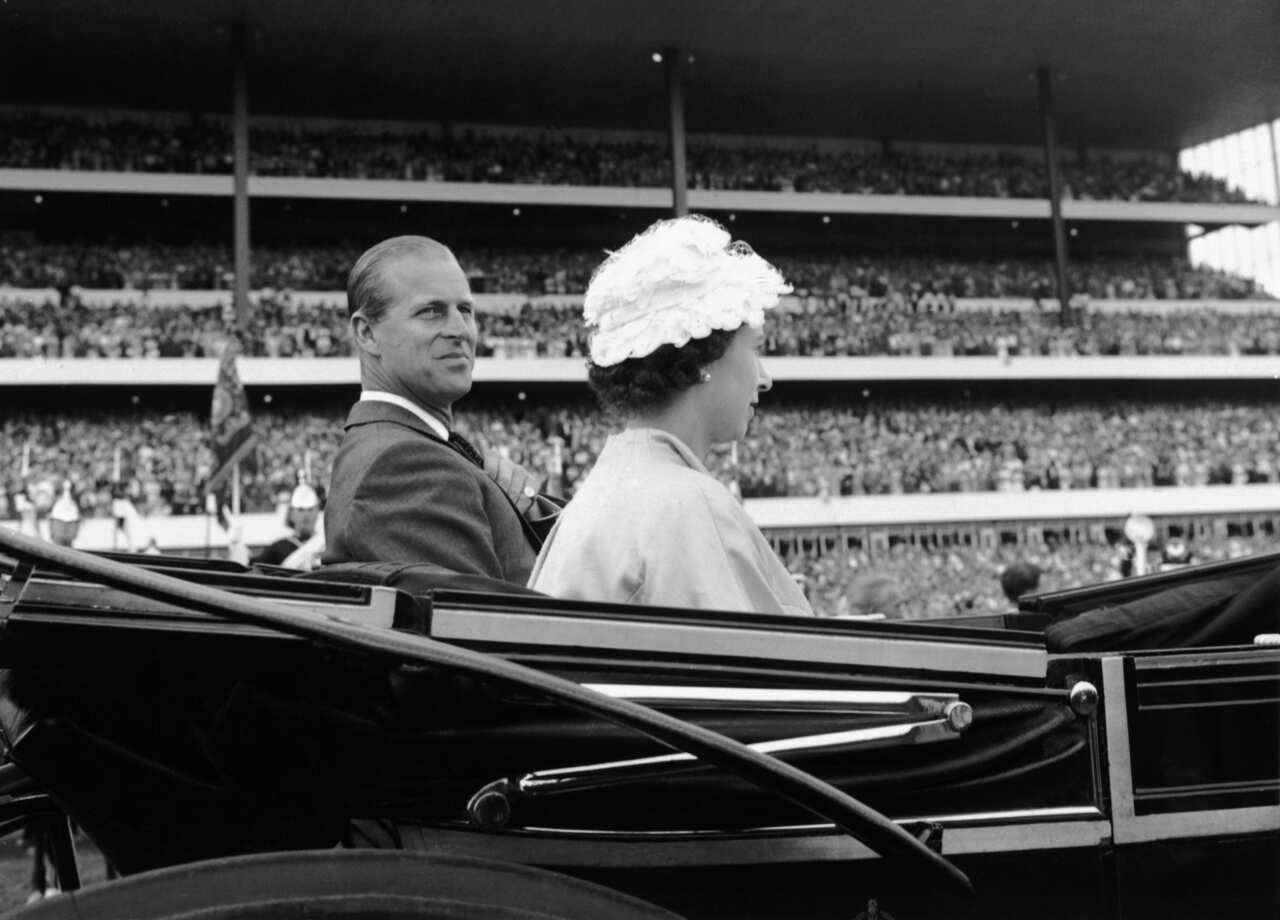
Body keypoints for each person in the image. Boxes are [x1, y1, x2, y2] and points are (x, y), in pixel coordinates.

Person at [529, 215, 812, 615]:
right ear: (703, 359)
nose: (764, 378)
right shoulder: (692, 507)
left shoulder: (598, 495)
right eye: (756, 348)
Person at [322, 235, 555, 582]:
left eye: (465, 310)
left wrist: (527, 508)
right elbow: (484, 628)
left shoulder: (411, 445)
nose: (460, 331)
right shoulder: (402, 466)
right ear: (367, 333)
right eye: (431, 312)